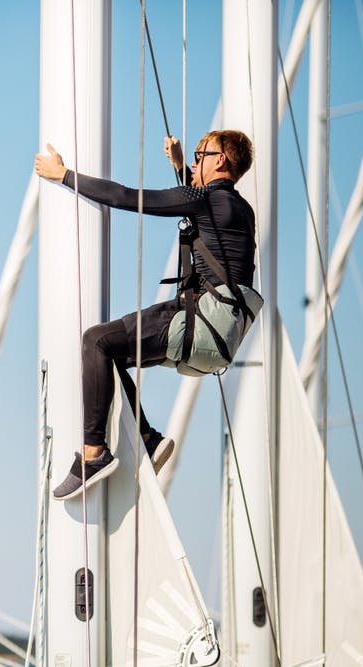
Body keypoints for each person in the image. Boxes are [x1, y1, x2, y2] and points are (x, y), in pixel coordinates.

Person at [34, 130, 256, 500]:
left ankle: (93, 454)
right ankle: (148, 440)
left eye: (202, 154)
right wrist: (181, 166)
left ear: (221, 161)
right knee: (110, 356)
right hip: (219, 339)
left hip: (197, 320)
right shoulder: (237, 208)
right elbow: (206, 203)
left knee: (96, 341)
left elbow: (126, 197)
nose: (196, 160)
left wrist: (64, 176)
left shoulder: (206, 200)